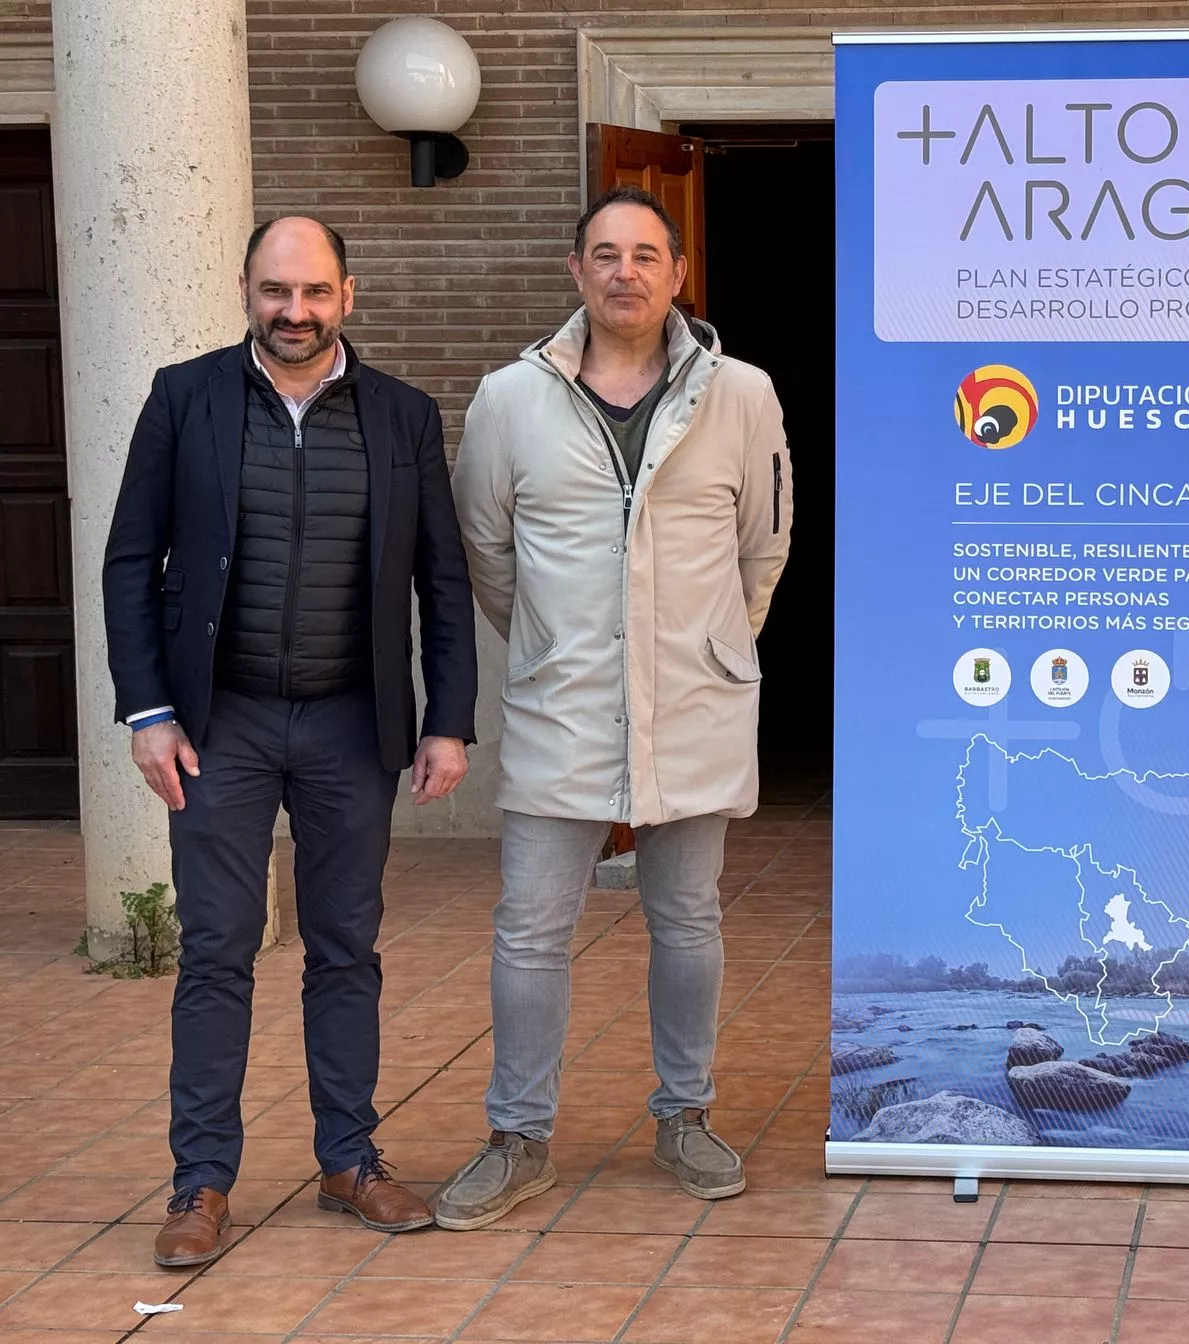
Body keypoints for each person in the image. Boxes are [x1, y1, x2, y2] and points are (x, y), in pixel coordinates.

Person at [103, 216, 478, 1267]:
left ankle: (349, 1160)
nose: (294, 311)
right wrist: (147, 712)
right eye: (276, 290)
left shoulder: (403, 413)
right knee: (217, 950)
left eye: (314, 291)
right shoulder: (184, 398)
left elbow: (442, 579)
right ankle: (201, 1182)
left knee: (345, 947)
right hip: (217, 724)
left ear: (347, 295)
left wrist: (448, 719)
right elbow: (130, 559)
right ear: (246, 291)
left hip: (351, 725)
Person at [435, 186, 791, 1230]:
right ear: (576, 272)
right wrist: (555, 646)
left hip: (694, 703)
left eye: (644, 254)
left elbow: (762, 548)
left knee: (686, 920)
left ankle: (685, 1116)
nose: (624, 271)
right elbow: (486, 550)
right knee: (529, 930)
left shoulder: (743, 395)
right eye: (604, 253)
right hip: (564, 706)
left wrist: (711, 647)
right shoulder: (510, 399)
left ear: (678, 273)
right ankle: (518, 1138)